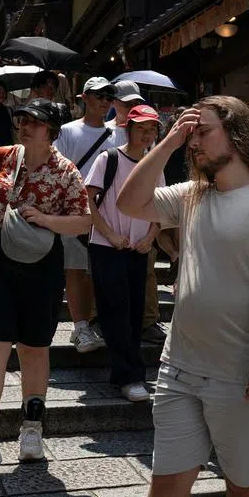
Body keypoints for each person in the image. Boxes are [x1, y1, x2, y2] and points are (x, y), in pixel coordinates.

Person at [117, 96, 249, 497]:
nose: (194, 143)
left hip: (242, 374)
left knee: (243, 483)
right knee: (167, 481)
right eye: (190, 135)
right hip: (179, 367)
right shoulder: (191, 195)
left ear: (239, 133)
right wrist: (168, 142)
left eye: (202, 131)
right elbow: (128, 203)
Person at [0, 100, 91, 478]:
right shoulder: (1, 157)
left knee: (34, 348)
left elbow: (83, 222)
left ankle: (32, 427)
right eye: (22, 120)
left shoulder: (65, 170)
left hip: (42, 259)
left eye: (35, 121)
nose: (26, 126)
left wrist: (46, 218)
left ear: (52, 129)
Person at [85, 104, 164, 402]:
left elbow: (162, 206)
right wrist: (110, 234)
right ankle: (131, 375)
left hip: (138, 248)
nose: (146, 133)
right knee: (115, 310)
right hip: (107, 246)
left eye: (152, 128)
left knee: (133, 314)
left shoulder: (153, 164)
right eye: (141, 127)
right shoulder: (109, 158)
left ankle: (124, 373)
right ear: (127, 128)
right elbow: (89, 200)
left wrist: (151, 237)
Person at [53, 77, 119, 354]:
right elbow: (59, 169)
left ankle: (89, 323)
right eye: (99, 95)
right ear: (84, 98)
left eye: (109, 95)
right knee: (76, 269)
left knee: (96, 271)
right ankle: (80, 326)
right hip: (75, 209)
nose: (105, 100)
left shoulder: (118, 134)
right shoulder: (67, 131)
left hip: (107, 213)